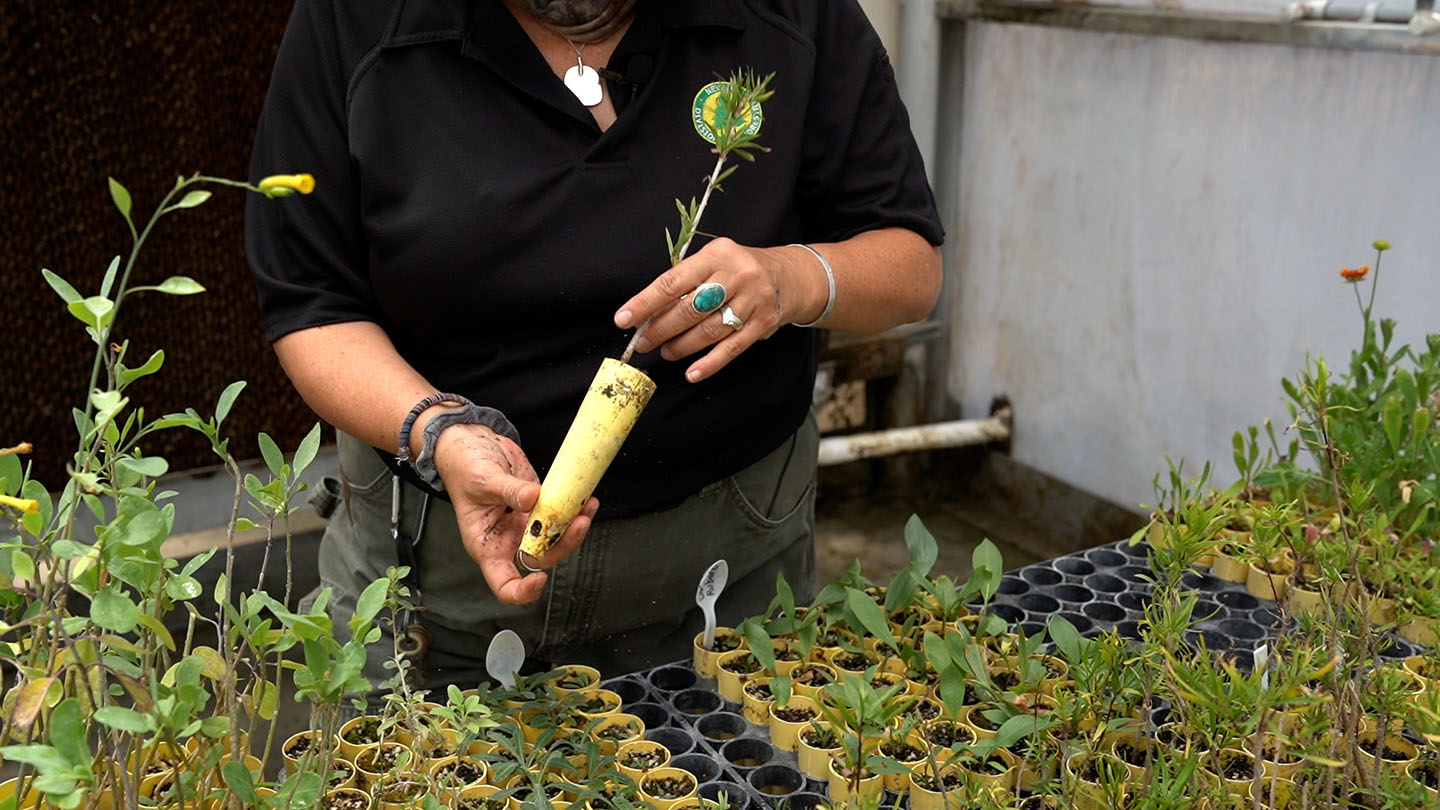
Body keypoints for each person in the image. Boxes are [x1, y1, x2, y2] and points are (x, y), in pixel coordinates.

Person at [245, 0, 944, 702]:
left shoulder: (791, 16)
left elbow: (909, 267)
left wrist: (791, 280)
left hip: (726, 570)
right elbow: (311, 303)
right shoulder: (352, 21)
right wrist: (436, 429)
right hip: (439, 583)